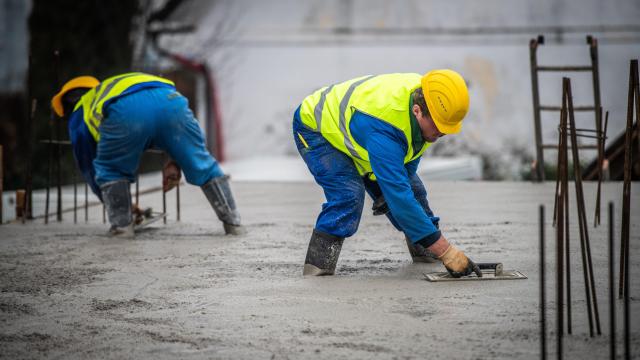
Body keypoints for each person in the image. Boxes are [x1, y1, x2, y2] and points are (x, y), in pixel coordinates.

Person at [293, 70, 481, 278]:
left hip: (362, 133)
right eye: (438, 126)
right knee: (348, 196)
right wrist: (446, 252)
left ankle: (425, 252)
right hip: (317, 130)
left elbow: (409, 156)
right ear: (417, 111)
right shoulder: (387, 128)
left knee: (414, 192)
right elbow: (399, 195)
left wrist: (391, 189)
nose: (442, 132)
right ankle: (317, 269)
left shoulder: (430, 98)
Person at [51, 73, 243, 237]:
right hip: (172, 100)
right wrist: (175, 160)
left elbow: (89, 166)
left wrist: (115, 202)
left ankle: (122, 228)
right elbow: (186, 137)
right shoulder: (117, 84)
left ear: (68, 103)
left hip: (126, 111)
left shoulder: (83, 108)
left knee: (111, 170)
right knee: (201, 162)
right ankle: (233, 223)